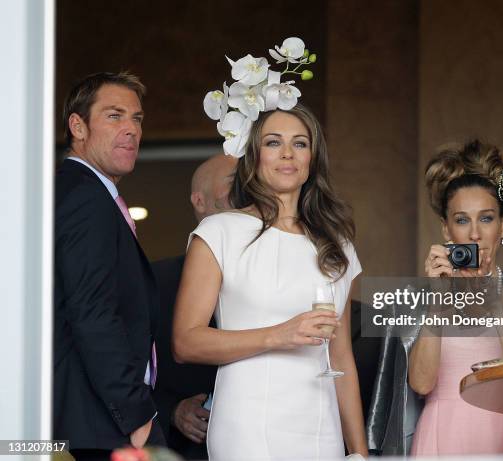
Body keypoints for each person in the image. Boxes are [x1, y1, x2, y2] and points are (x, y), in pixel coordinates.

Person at [173, 104, 368, 460]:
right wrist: (278, 334)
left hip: (321, 430)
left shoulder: (338, 247)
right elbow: (185, 342)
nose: (287, 154)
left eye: (300, 143)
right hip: (247, 427)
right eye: (273, 142)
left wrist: (358, 451)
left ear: (313, 157)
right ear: (254, 156)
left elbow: (340, 357)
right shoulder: (219, 232)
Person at [366, 139, 503, 456]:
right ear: (447, 230)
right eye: (462, 220)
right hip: (443, 434)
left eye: (487, 218)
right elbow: (422, 384)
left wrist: (496, 302)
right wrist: (438, 298)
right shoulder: (415, 300)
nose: (475, 233)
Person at [54, 72, 164, 461]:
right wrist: (137, 414)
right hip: (100, 425)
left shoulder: (89, 194)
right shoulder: (85, 196)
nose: (131, 129)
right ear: (77, 126)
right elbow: (92, 311)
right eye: (115, 116)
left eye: (137, 118)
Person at [152, 154, 237, 459]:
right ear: (199, 202)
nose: (247, 193)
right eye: (234, 185)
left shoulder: (280, 278)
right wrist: (171, 410)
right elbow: (123, 369)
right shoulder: (155, 281)